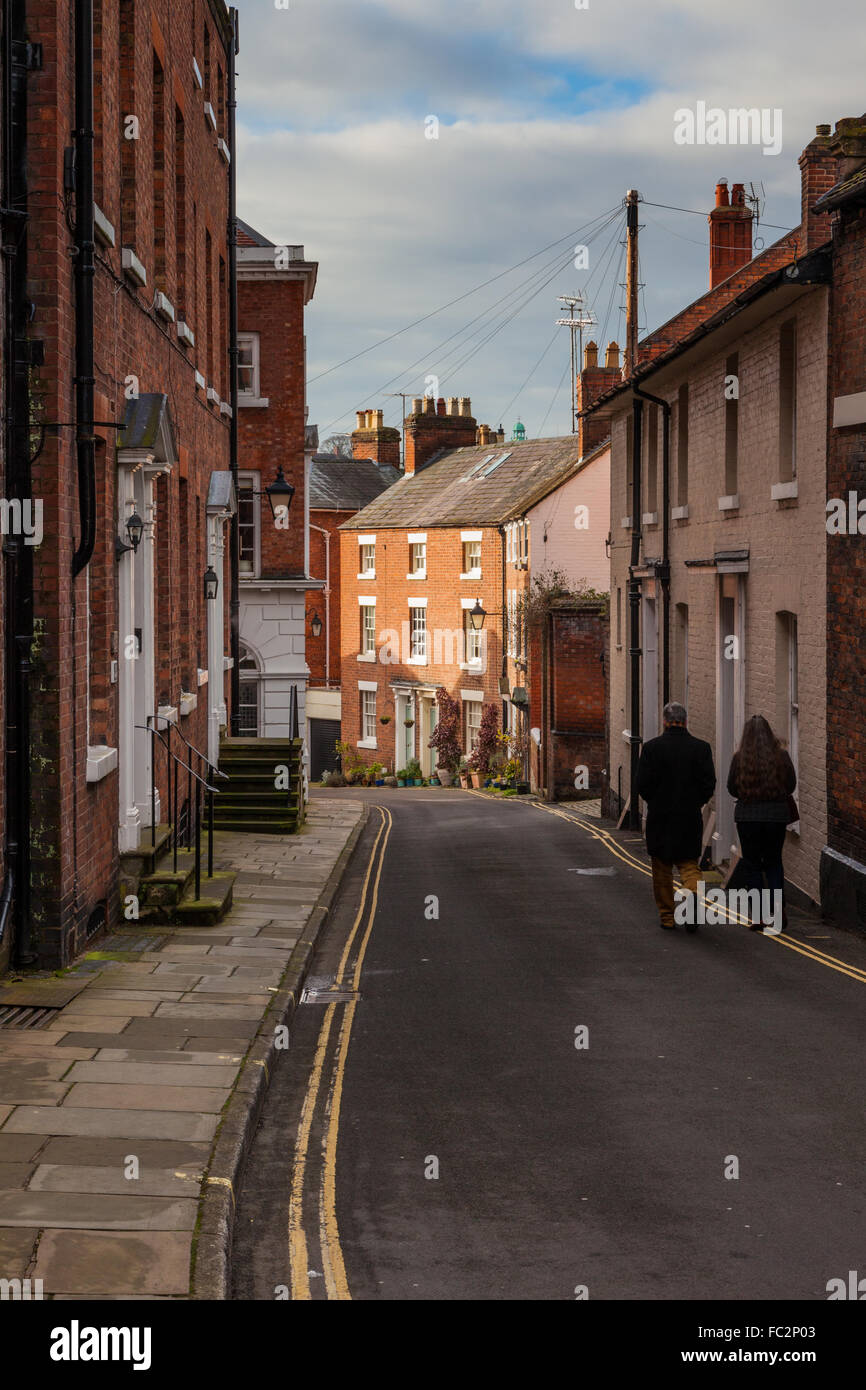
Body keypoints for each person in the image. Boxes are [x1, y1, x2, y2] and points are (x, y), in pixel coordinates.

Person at [637, 702, 716, 932]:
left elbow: (642, 784)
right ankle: (691, 899)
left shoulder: (652, 749)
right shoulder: (701, 748)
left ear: (664, 721)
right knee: (690, 865)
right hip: (689, 816)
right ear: (686, 721)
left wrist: (656, 800)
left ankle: (667, 917)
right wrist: (695, 802)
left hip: (660, 817)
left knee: (661, 869)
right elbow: (708, 784)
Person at [727, 715, 797, 931]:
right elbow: (791, 785)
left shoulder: (740, 759)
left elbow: (731, 788)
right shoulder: (782, 757)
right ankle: (777, 913)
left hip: (748, 818)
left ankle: (757, 916)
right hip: (776, 817)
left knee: (752, 865)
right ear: (770, 734)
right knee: (774, 863)